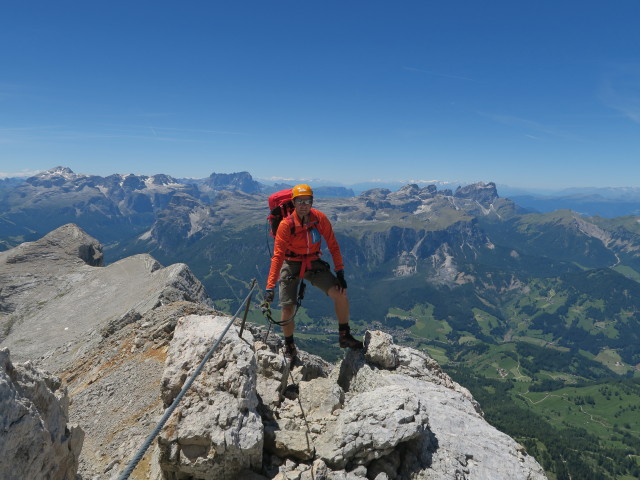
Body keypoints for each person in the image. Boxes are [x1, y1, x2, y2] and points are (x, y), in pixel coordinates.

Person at [264, 184, 363, 361]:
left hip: (313, 261)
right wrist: (270, 286)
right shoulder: (286, 225)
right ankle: (289, 345)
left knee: (340, 294)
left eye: (307, 201)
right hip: (291, 262)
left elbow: (333, 245)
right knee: (287, 306)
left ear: (312, 202)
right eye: (300, 201)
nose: (304, 205)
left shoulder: (319, 218)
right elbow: (278, 256)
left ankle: (344, 336)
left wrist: (340, 273)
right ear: (293, 202)